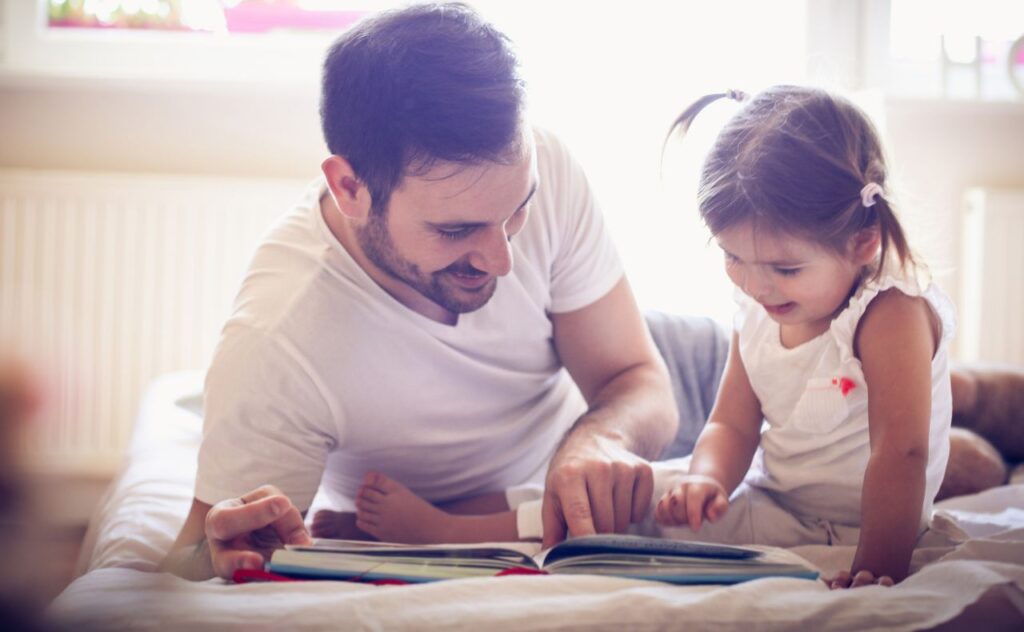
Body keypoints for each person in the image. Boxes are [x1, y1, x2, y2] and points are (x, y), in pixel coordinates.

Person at [160, 2, 680, 581]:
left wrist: (598, 443)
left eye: (517, 211)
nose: (502, 260)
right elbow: (188, 567)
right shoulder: (280, 340)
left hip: (623, 397)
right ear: (350, 188)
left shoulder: (548, 165)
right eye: (456, 231)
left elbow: (643, 381)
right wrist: (219, 553)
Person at [651, 85, 957, 590]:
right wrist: (705, 480)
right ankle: (522, 521)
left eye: (785, 268)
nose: (754, 285)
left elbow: (902, 452)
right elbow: (731, 423)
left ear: (862, 243)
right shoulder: (756, 307)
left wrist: (877, 565)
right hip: (779, 508)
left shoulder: (888, 312)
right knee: (638, 499)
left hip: (875, 527)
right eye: (733, 258)